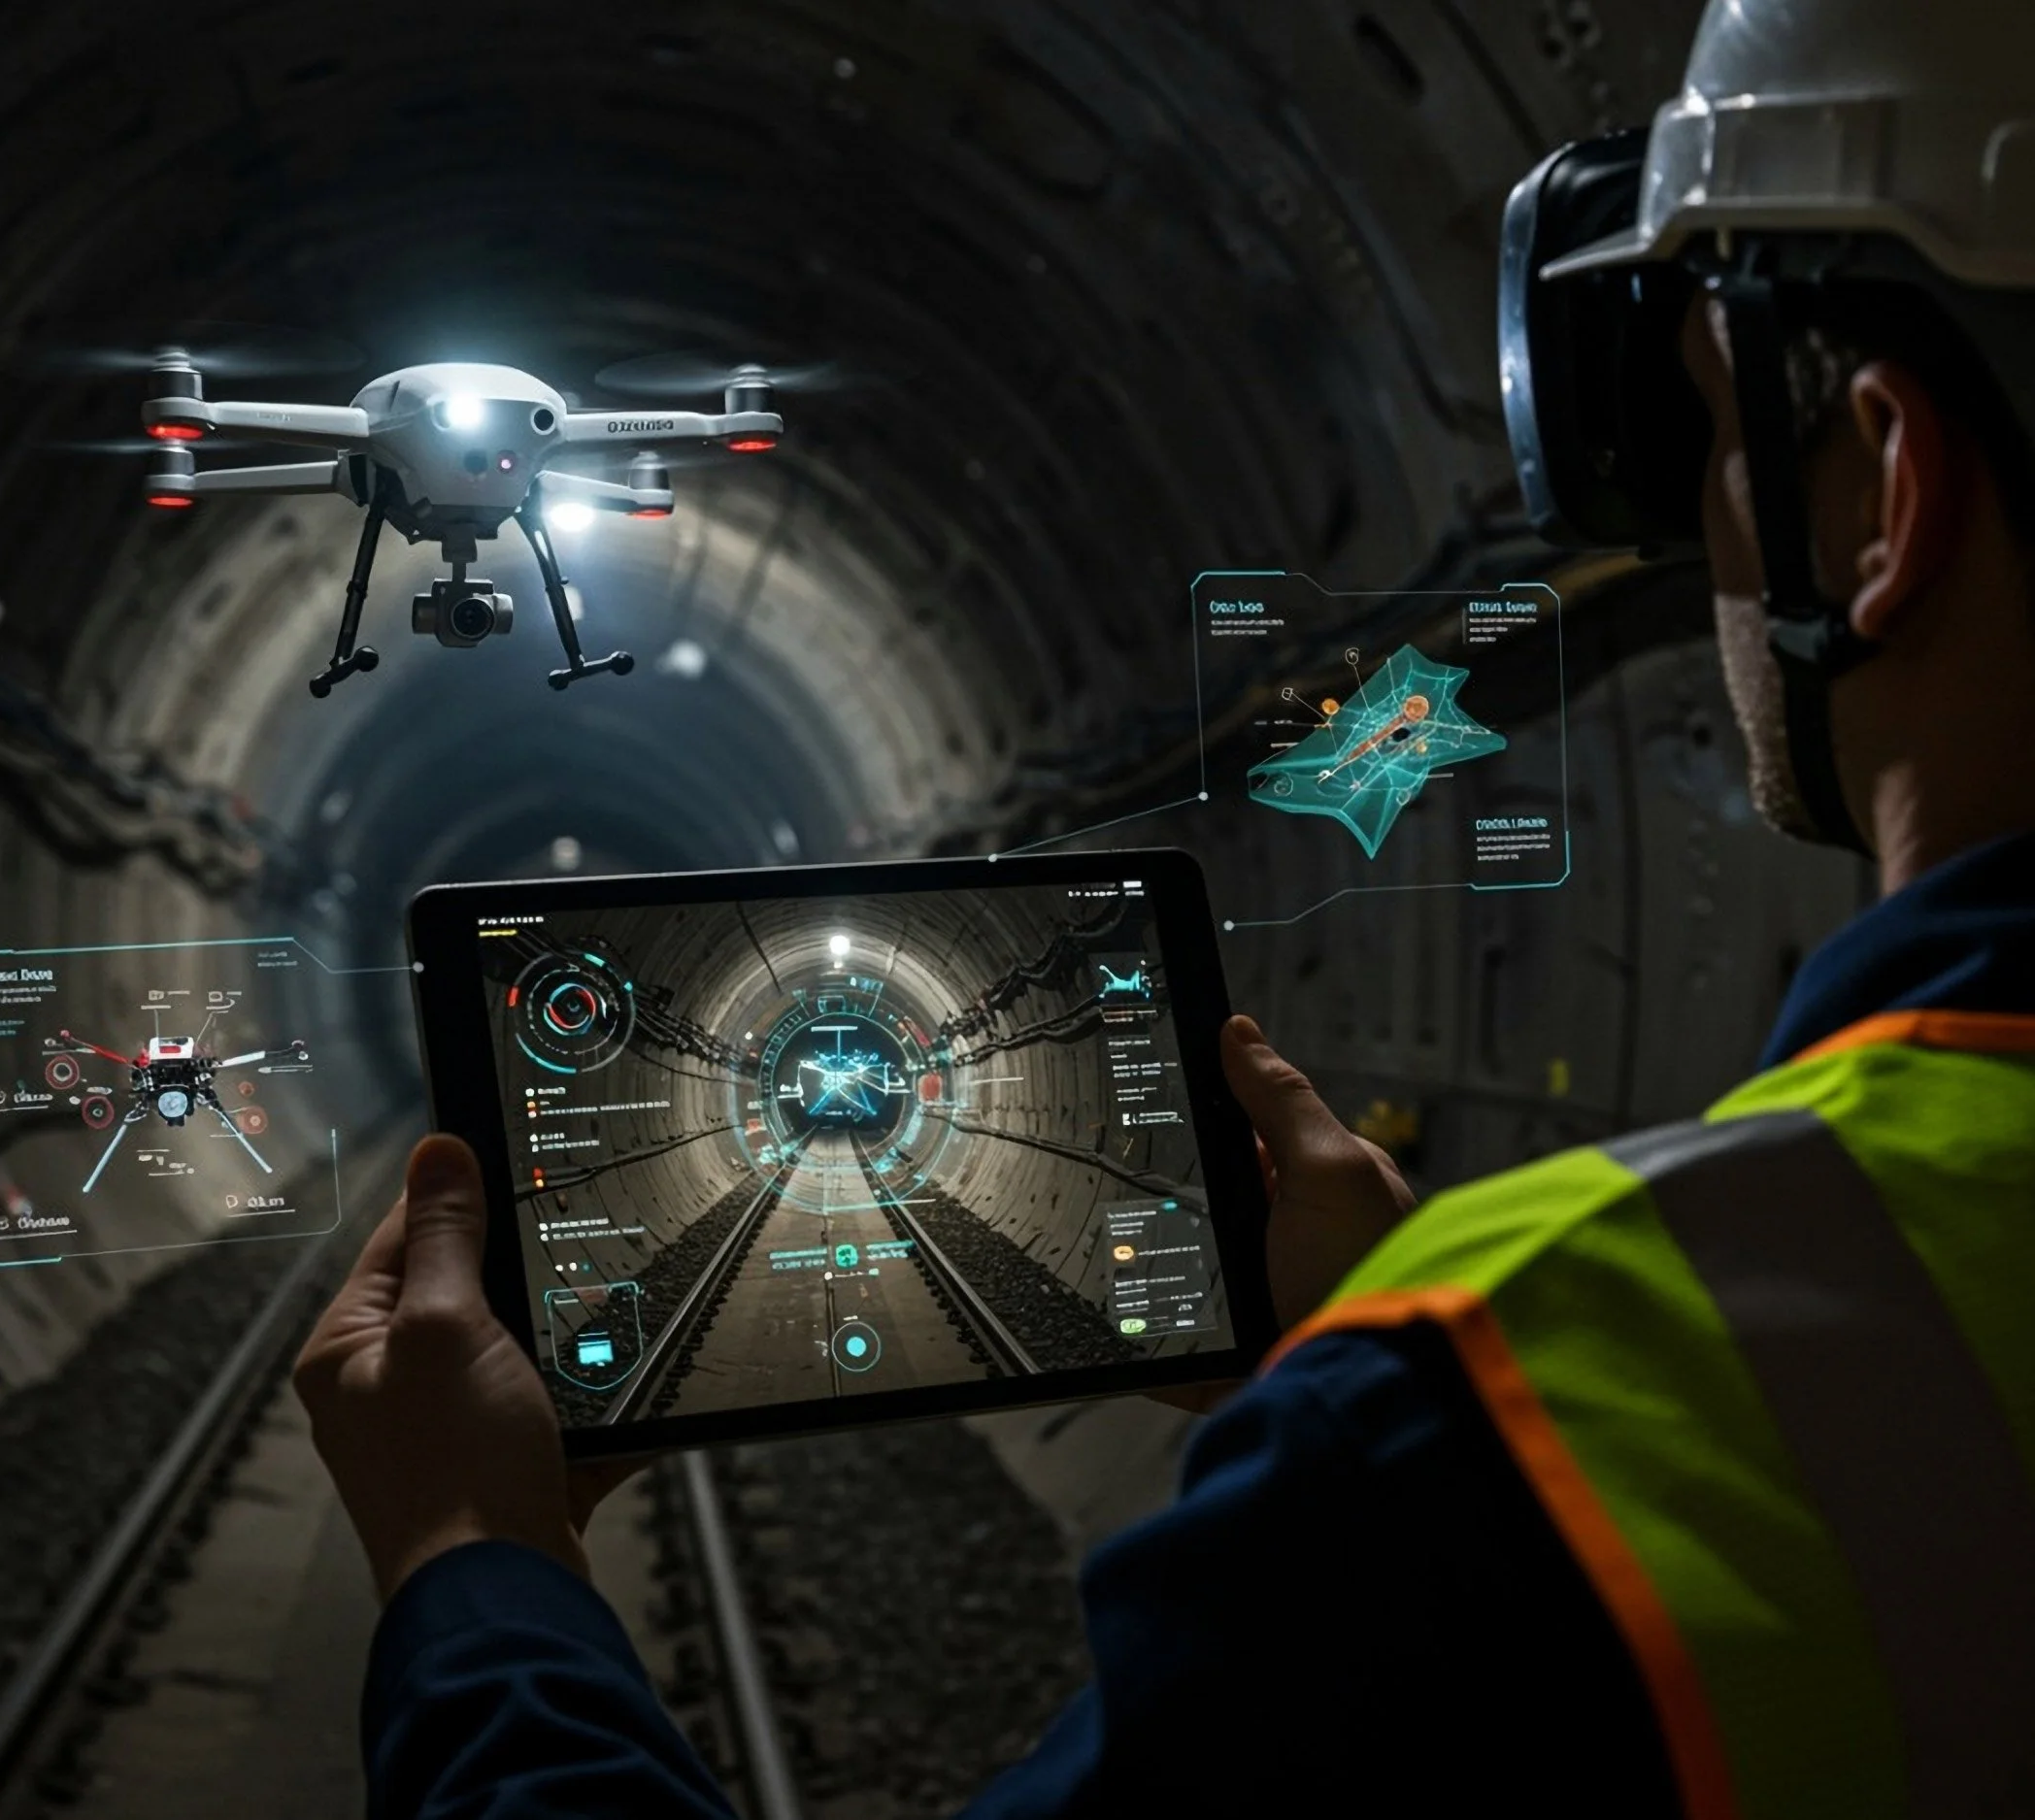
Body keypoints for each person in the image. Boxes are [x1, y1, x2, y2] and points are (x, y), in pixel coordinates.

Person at [295, 1, 2035, 1811]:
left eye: (1701, 425)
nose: (1703, 529)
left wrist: (472, 1560)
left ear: (1888, 492)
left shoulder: (1521, 1426)